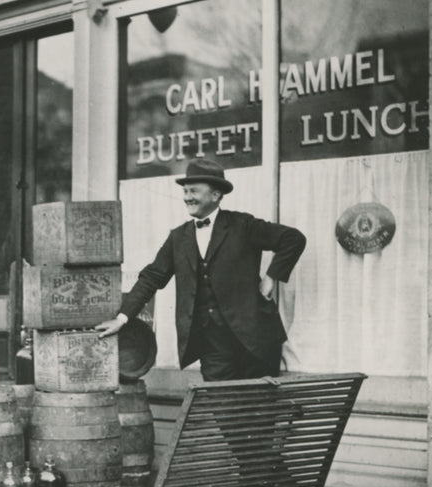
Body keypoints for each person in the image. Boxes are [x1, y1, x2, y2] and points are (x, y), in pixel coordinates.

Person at [96, 159, 306, 381]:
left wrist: (271, 278)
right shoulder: (179, 238)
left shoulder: (242, 225)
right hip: (212, 344)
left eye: (193, 191)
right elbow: (151, 277)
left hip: (256, 340)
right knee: (219, 405)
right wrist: (122, 318)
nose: (187, 197)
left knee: (257, 410)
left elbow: (293, 239)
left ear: (215, 195)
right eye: (185, 191)